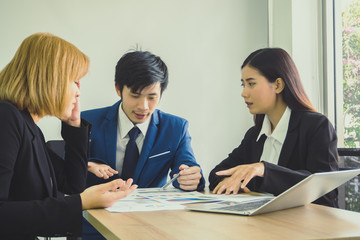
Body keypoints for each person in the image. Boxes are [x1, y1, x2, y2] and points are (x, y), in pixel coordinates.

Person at [0, 32, 137, 240]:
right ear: (49, 78)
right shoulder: (6, 117)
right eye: (74, 81)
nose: (78, 91)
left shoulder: (31, 129)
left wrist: (74, 125)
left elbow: (73, 185)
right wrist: (81, 202)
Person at [81, 50, 205, 239]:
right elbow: (66, 169)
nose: (143, 106)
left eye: (152, 97)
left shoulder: (175, 128)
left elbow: (187, 167)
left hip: (152, 227)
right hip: (95, 228)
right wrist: (88, 164)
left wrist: (192, 177)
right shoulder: (88, 121)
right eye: (135, 95)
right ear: (118, 89)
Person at [209, 48, 339, 207]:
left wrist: (264, 170)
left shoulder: (316, 126)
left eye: (251, 83)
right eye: (243, 84)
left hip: (304, 227)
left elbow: (325, 191)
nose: (244, 93)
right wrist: (238, 183)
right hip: (263, 224)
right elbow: (217, 174)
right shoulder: (255, 134)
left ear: (277, 85)